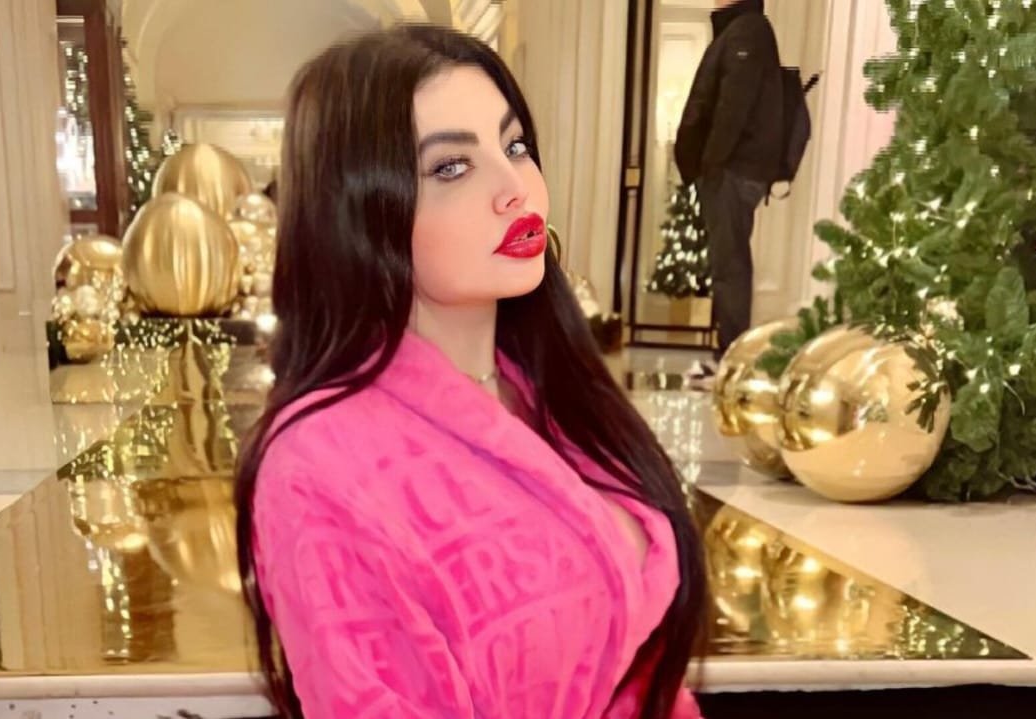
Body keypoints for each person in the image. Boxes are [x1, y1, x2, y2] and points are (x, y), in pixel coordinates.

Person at [234, 24, 706, 719]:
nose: (515, 188)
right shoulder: (318, 464)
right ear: (360, 214)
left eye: (514, 147)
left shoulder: (553, 386)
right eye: (452, 167)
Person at [675, 0, 783, 368]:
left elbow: (733, 106)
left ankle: (731, 359)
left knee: (729, 266)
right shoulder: (742, 30)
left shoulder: (747, 30)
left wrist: (711, 165)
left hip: (731, 171)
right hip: (731, 169)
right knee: (729, 264)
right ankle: (729, 355)